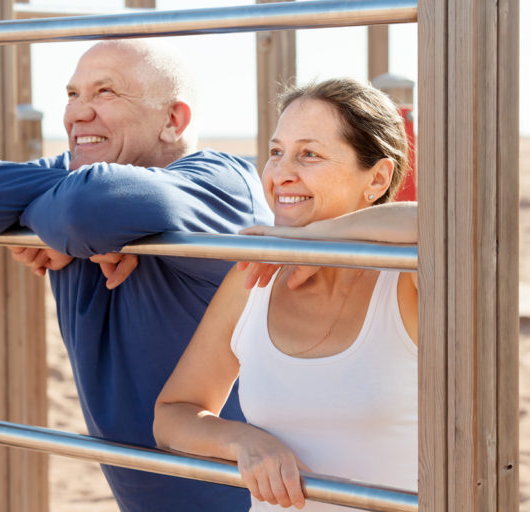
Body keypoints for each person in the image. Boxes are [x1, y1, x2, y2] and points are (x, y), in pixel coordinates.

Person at [0, 39, 273, 511]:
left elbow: (86, 208)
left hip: (265, 496)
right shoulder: (79, 173)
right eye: (72, 94)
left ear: (173, 121)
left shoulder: (221, 183)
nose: (77, 113)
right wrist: (61, 221)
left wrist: (44, 218)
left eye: (105, 93)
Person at [153, 77, 418, 511]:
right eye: (277, 152)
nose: (281, 174)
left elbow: (440, 223)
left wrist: (318, 236)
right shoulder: (256, 277)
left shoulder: (405, 280)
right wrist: (244, 441)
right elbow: (174, 413)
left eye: (309, 154)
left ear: (377, 179)